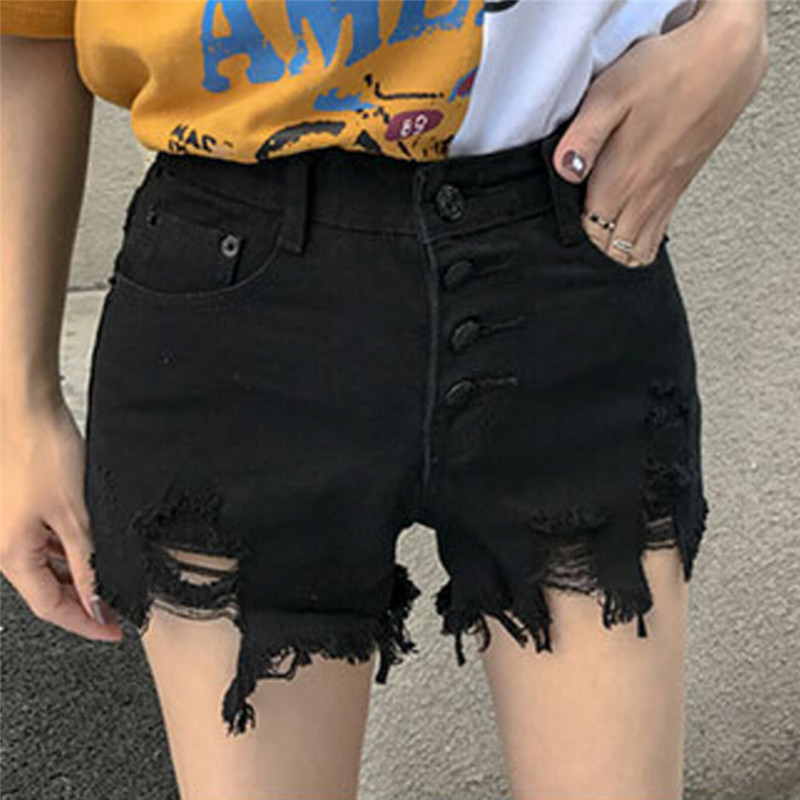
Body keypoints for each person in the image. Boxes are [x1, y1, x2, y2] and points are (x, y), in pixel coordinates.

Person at [0, 1, 769, 798]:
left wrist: (737, 22)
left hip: (568, 238)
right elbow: (26, 25)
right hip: (236, 289)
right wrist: (18, 404)